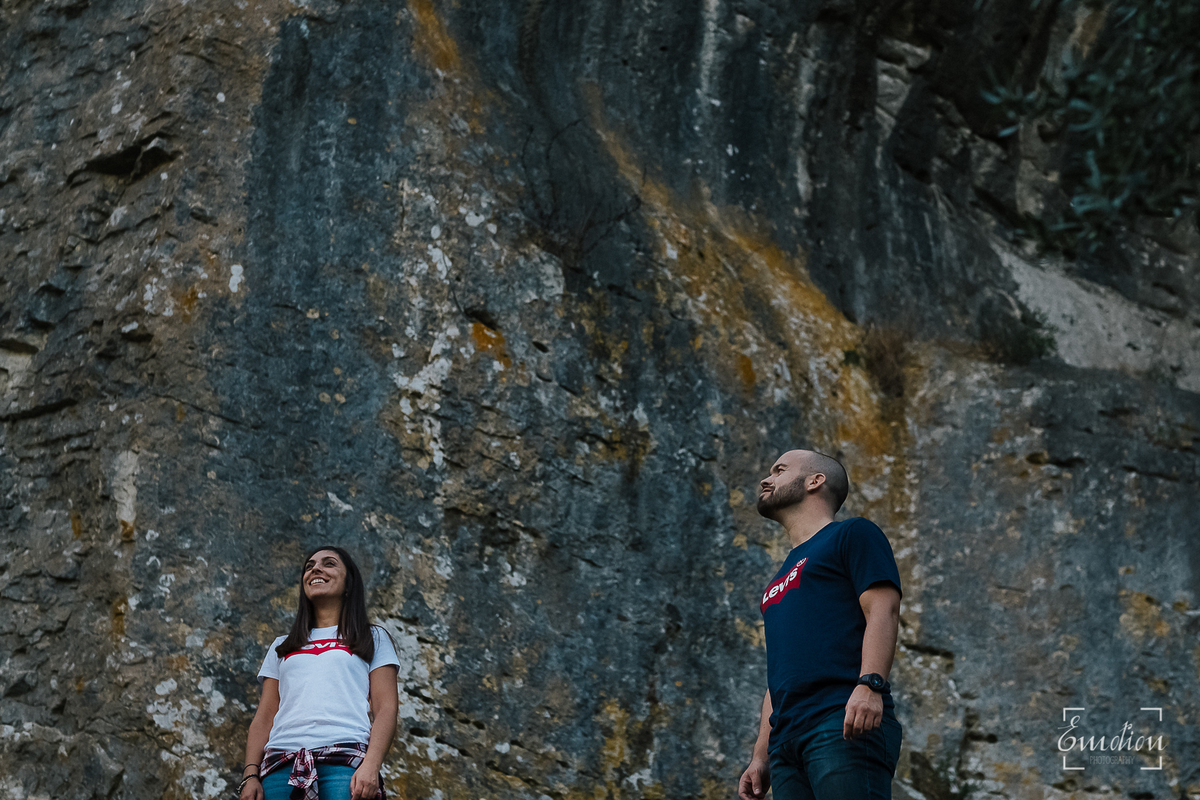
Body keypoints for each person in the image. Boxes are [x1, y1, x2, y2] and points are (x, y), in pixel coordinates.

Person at [737, 449, 903, 800]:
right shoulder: (776, 582)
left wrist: (871, 685)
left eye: (779, 470)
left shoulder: (852, 535)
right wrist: (760, 755)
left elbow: (883, 610)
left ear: (815, 481)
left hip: (842, 724)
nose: (766, 479)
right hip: (786, 745)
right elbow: (779, 671)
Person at [239, 545, 400, 800]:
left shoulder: (373, 638)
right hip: (281, 766)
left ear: (349, 584)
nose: (316, 569)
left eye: (329, 564)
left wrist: (371, 764)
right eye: (309, 566)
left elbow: (387, 709)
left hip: (345, 764)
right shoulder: (283, 645)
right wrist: (250, 775)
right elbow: (265, 716)